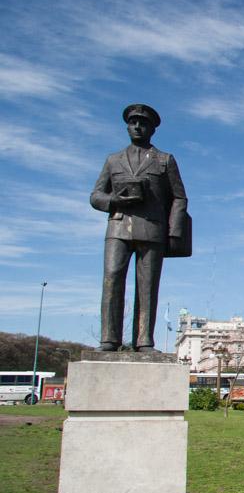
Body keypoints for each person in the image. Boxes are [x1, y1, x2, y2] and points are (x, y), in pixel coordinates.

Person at [90, 104, 189, 352]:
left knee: (147, 286)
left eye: (142, 123)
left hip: (152, 230)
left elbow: (179, 197)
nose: (137, 127)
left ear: (152, 129)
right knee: (112, 278)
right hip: (118, 227)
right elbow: (95, 195)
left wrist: (174, 231)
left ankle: (144, 340)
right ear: (127, 126)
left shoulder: (165, 160)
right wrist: (113, 201)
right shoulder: (113, 160)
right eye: (133, 122)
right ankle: (109, 339)